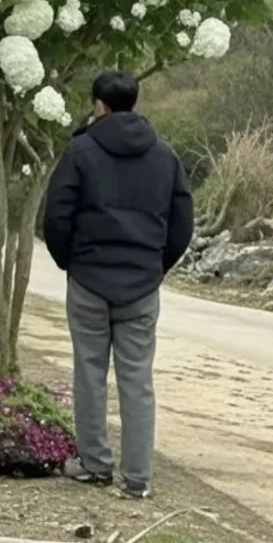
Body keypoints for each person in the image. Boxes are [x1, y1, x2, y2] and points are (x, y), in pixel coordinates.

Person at [43, 69, 193, 498]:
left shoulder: (81, 151)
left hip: (89, 280)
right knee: (137, 379)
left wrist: (71, 262)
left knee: (89, 373)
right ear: (135, 103)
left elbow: (56, 216)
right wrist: (156, 266)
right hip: (142, 284)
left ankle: (94, 465)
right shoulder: (164, 155)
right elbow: (182, 221)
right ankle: (138, 479)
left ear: (99, 106)